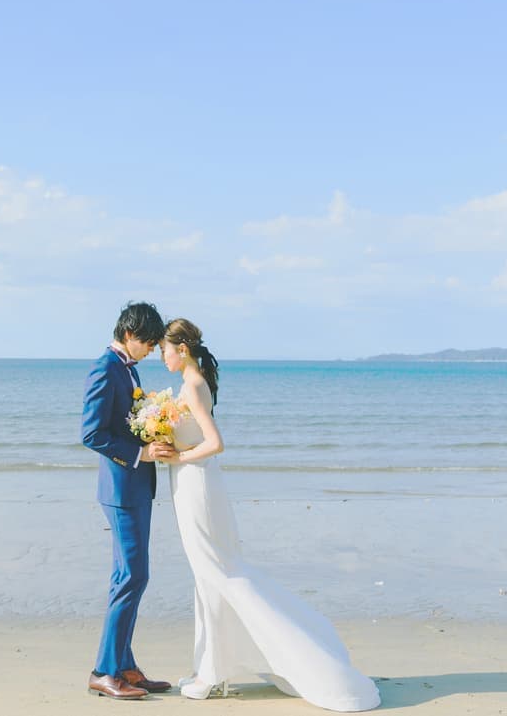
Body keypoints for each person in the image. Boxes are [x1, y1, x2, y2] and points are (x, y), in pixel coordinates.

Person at [158, 318, 380, 712]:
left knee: (217, 574)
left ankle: (214, 673)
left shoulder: (192, 386)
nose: (163, 357)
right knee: (208, 576)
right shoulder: (190, 382)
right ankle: (208, 668)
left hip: (196, 482)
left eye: (165, 350)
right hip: (192, 482)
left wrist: (178, 457)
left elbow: (215, 442)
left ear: (183, 349)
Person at [80, 301, 177, 699]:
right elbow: (91, 434)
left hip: (135, 488)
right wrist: (141, 453)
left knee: (130, 577)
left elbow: (127, 423)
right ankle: (104, 671)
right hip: (121, 489)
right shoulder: (105, 368)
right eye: (149, 342)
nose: (152, 349)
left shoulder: (128, 368)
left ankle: (124, 666)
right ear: (129, 334)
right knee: (133, 577)